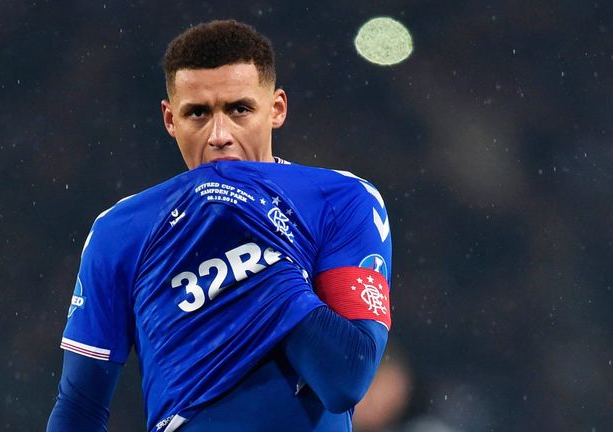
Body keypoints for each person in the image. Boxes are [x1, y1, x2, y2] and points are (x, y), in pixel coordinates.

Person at [47, 20, 392, 432]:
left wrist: (254, 237)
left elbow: (345, 378)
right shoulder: (121, 229)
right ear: (170, 119)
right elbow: (79, 407)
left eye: (239, 109)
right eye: (197, 113)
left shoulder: (340, 200)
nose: (219, 135)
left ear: (277, 109)